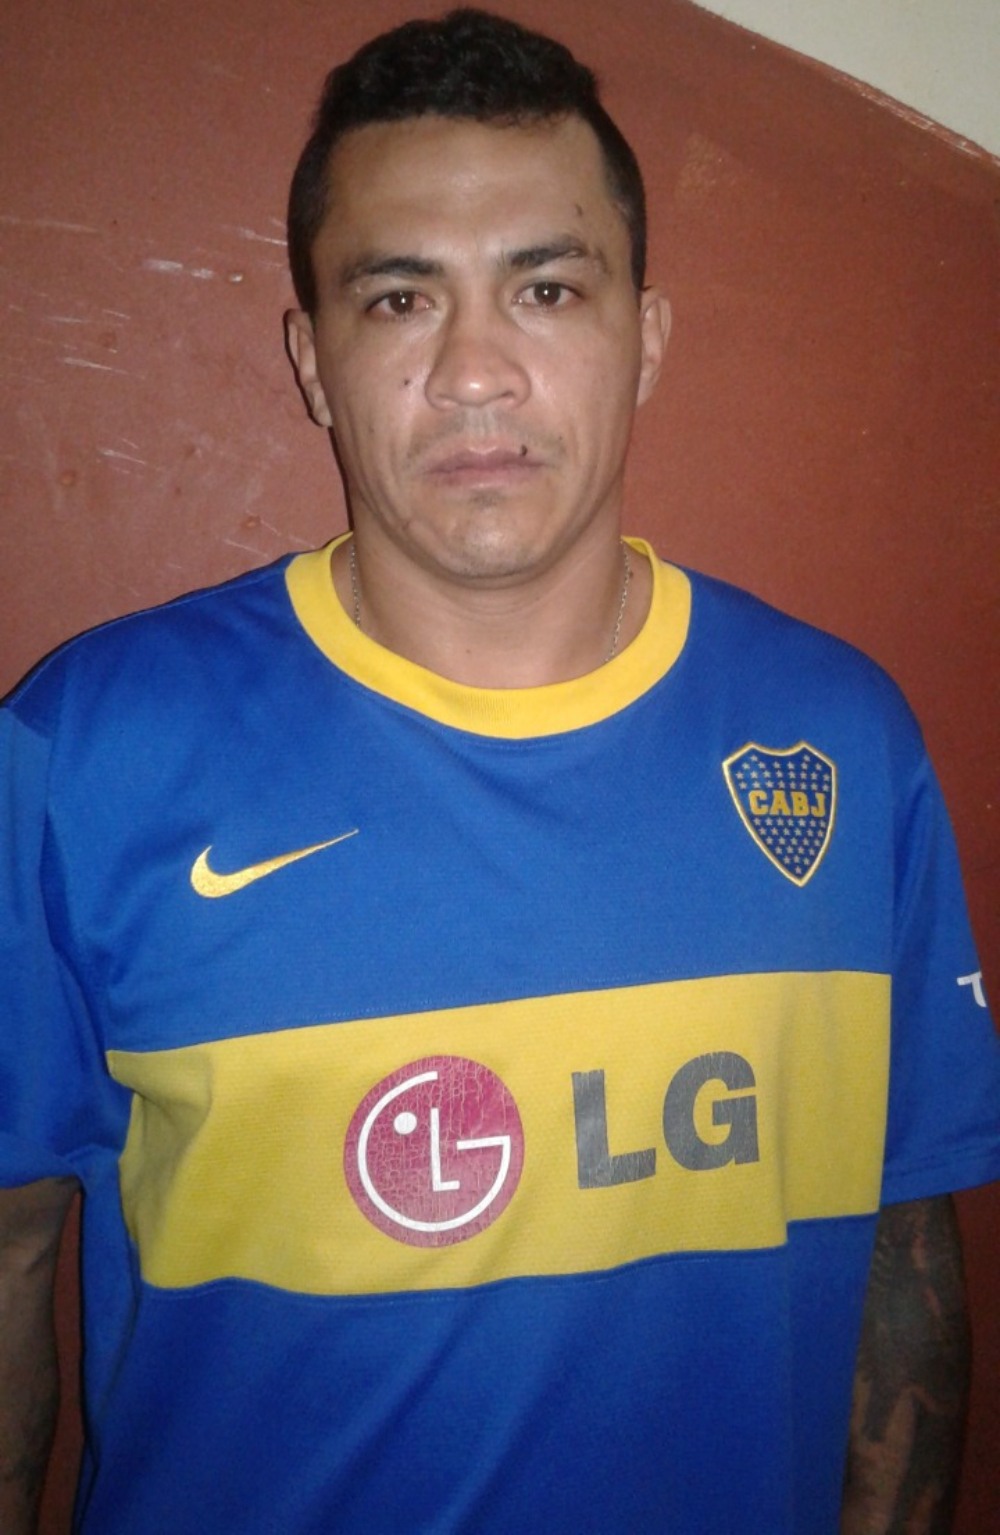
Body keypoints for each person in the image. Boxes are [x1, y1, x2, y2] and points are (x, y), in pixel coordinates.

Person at [1, 9, 998, 1533]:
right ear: (314, 361)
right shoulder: (83, 751)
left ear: (646, 336)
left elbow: (901, 1256)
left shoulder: (842, 744)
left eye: (546, 288)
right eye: (400, 298)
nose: (476, 372)